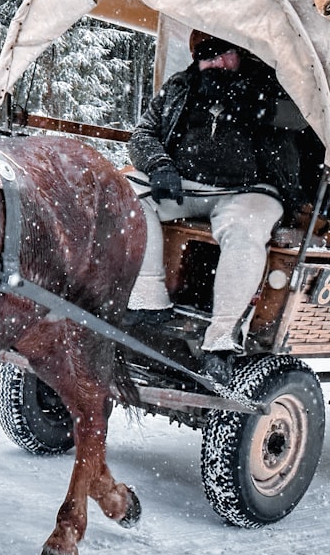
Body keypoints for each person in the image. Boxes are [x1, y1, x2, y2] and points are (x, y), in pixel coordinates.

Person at [125, 30, 304, 382]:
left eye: (225, 53)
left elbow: (300, 117)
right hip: (186, 184)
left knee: (244, 230)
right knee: (125, 193)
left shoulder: (268, 83)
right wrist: (159, 165)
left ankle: (220, 339)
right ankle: (148, 298)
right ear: (197, 59)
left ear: (241, 53)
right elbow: (142, 133)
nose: (217, 62)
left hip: (249, 189)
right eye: (209, 55)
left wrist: (257, 106)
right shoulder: (179, 87)